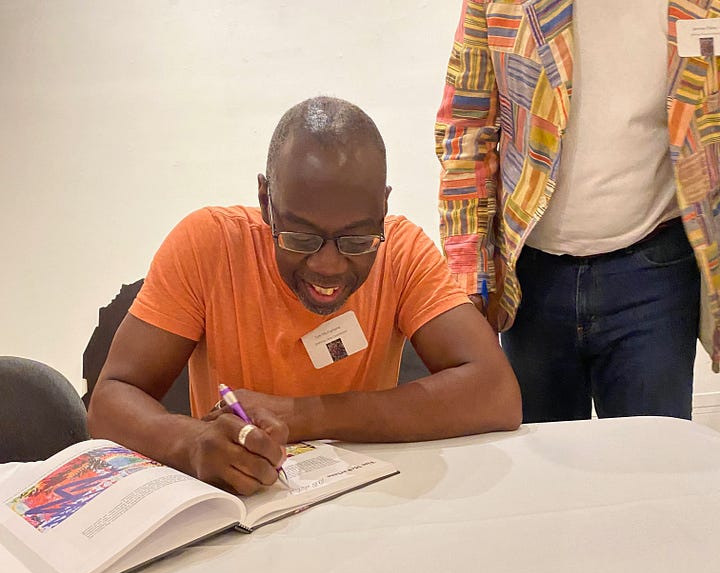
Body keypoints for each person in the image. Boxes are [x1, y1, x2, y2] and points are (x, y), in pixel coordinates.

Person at [88, 96, 521, 495]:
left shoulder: (402, 250)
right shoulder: (208, 245)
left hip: (365, 505)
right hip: (241, 510)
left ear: (383, 208)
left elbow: (495, 393)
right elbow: (109, 402)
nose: (328, 266)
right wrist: (192, 442)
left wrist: (299, 416)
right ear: (266, 201)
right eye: (300, 237)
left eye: (356, 240)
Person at [436, 0, 720, 423]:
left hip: (655, 272)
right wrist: (467, 271)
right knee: (542, 471)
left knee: (651, 466)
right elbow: (466, 128)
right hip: (531, 280)